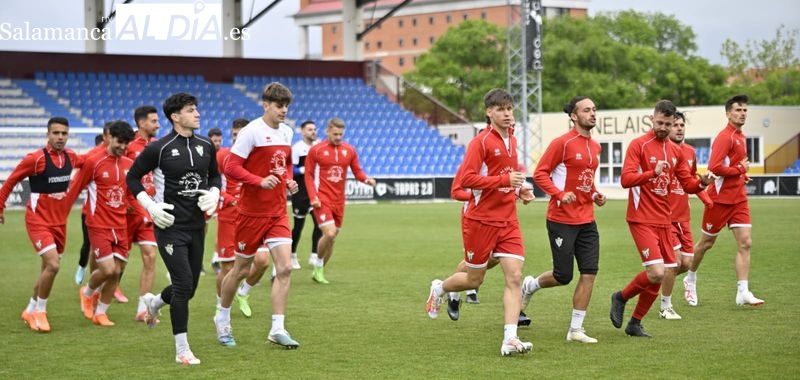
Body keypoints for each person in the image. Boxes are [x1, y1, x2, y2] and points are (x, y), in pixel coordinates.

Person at [425, 88, 534, 356]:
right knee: (474, 280)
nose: (507, 114)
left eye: (509, 109)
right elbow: (467, 180)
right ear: (489, 113)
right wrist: (504, 182)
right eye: (501, 109)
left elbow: (507, 176)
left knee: (515, 276)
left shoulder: (512, 139)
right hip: (480, 220)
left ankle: (510, 338)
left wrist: (520, 190)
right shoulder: (480, 142)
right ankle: (439, 288)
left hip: (508, 219)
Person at [127, 92, 221, 365]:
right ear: (175, 116)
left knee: (189, 288)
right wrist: (150, 206)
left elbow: (215, 174)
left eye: (197, 109)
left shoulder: (206, 144)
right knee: (182, 285)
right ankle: (182, 350)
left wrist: (214, 192)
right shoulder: (160, 148)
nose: (198, 114)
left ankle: (155, 302)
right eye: (191, 110)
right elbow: (132, 177)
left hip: (196, 225)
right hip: (168, 226)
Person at [610, 100, 715, 338]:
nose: (664, 128)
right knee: (657, 272)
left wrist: (703, 183)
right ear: (651, 119)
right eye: (660, 123)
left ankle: (635, 323)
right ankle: (620, 297)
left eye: (668, 124)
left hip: (664, 220)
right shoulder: (639, 145)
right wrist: (651, 173)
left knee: (668, 269)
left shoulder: (676, 151)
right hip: (641, 218)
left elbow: (687, 184)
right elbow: (625, 179)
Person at [215, 82, 300, 348]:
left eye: (286, 106)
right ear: (266, 105)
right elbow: (231, 167)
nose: (283, 110)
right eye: (278, 106)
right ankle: (222, 317)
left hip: (277, 212)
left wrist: (288, 181)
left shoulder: (286, 132)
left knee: (284, 267)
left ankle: (277, 328)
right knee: (240, 270)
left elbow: (283, 165)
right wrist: (258, 181)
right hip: (251, 213)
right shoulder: (251, 132)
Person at [521, 96, 606, 343]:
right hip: (561, 220)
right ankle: (530, 285)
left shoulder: (595, 147)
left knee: (589, 272)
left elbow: (585, 182)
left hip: (587, 220)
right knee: (563, 276)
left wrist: (595, 194)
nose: (592, 113)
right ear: (573, 116)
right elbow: (540, 174)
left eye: (594, 109)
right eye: (587, 110)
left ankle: (575, 330)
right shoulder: (562, 143)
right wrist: (559, 194)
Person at [0, 117, 83, 332]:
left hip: (59, 223)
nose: (60, 137)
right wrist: (0, 206)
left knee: (47, 268)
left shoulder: (72, 157)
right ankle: (40, 312)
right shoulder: (36, 159)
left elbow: (90, 162)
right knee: (54, 265)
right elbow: (11, 181)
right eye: (56, 133)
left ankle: (29, 309)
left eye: (64, 133)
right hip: (38, 221)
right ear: (48, 134)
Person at [682, 94, 764, 307]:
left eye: (745, 110)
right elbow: (714, 167)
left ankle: (743, 291)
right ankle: (690, 279)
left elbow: (734, 166)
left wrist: (741, 175)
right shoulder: (724, 137)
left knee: (746, 242)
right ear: (728, 113)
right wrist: (739, 170)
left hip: (739, 199)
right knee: (706, 243)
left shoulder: (741, 136)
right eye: (738, 110)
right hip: (719, 200)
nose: (742, 113)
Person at [68, 121, 136, 327]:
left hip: (121, 226)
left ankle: (101, 313)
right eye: (119, 141)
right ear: (109, 138)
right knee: (107, 269)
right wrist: (60, 214)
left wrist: (146, 212)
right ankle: (87, 292)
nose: (123, 147)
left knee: (117, 271)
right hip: (98, 225)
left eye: (126, 143)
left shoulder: (128, 165)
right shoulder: (93, 162)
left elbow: (131, 195)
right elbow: (75, 188)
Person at [304, 117, 376, 284]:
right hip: (322, 199)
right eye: (335, 134)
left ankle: (318, 271)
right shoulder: (316, 150)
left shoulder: (349, 150)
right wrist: (313, 197)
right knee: (328, 233)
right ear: (327, 131)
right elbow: (308, 175)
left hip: (339, 201)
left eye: (340, 134)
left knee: (332, 238)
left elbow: (358, 172)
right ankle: (319, 265)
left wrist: (366, 180)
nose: (338, 137)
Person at [658, 111, 713, 320]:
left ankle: (658, 277)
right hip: (665, 218)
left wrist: (708, 199)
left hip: (683, 217)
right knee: (675, 262)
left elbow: (690, 181)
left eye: (682, 125)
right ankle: (666, 306)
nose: (679, 128)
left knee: (687, 264)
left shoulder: (689, 152)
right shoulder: (662, 152)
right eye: (675, 125)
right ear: (668, 127)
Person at [125, 106, 162, 321]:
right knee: (116, 265)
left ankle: (142, 309)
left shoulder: (158, 147)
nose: (158, 125)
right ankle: (94, 292)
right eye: (154, 121)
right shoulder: (129, 146)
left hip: (150, 210)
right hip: (128, 212)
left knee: (150, 257)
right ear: (141, 124)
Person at [74, 131, 108, 285]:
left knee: (103, 247)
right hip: (89, 212)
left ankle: (100, 279)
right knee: (88, 244)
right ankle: (82, 266)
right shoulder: (92, 161)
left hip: (108, 213)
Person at [290, 120, 322, 270]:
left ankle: (314, 254)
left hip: (315, 192)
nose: (313, 132)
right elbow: (292, 171)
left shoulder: (320, 147)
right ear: (302, 131)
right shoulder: (297, 149)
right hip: (300, 193)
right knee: (298, 227)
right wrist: (305, 170)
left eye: (314, 129)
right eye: (310, 129)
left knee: (319, 223)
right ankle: (292, 255)